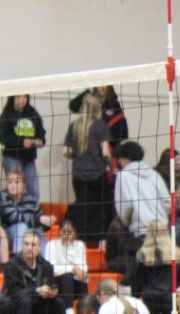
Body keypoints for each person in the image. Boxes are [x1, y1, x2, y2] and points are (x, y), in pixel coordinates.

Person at [3, 231, 66, 314]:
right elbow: (15, 292)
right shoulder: (11, 265)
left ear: (39, 247)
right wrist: (37, 291)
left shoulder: (47, 266)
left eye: (33, 245)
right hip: (11, 311)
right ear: (22, 246)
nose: (29, 248)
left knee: (58, 302)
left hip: (34, 311)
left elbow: (52, 286)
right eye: (26, 244)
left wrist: (51, 292)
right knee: (24, 300)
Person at [63, 91, 113, 243]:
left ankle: (81, 240)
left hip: (78, 175)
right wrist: (111, 163)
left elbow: (66, 151)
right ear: (97, 107)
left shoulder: (74, 126)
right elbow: (105, 152)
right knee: (99, 209)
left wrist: (79, 156)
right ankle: (98, 240)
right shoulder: (101, 126)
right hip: (97, 175)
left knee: (82, 206)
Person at [114, 140, 171, 239]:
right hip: (163, 230)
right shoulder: (154, 174)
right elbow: (167, 202)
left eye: (120, 158)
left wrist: (126, 223)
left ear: (126, 158)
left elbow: (125, 206)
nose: (118, 162)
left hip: (140, 232)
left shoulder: (123, 176)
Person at [0, 94, 46, 200]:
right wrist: (22, 141)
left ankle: (33, 214)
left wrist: (40, 141)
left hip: (29, 158)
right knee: (15, 190)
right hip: (12, 157)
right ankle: (15, 215)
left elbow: (41, 132)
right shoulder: (7, 114)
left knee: (34, 190)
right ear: (12, 98)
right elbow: (3, 137)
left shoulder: (32, 113)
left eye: (25, 97)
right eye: (18, 97)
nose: (22, 100)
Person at [0, 168, 54, 253]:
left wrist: (48, 222)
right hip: (7, 237)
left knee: (39, 234)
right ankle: (18, 263)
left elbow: (41, 223)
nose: (12, 185)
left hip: (30, 234)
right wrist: (39, 220)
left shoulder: (31, 200)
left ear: (24, 185)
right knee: (22, 226)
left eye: (16, 182)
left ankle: (47, 263)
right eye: (9, 182)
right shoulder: (2, 197)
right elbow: (15, 217)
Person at [68, 86, 128, 154]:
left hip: (108, 148)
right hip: (89, 148)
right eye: (99, 85)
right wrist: (88, 90)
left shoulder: (114, 104)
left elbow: (122, 132)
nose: (102, 87)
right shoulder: (89, 102)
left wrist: (105, 139)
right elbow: (73, 106)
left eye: (105, 85)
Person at [44, 217, 89, 307]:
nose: (66, 235)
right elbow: (51, 268)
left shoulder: (80, 245)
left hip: (76, 281)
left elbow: (84, 268)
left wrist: (76, 270)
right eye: (63, 231)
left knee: (83, 279)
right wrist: (72, 268)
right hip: (56, 283)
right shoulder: (51, 245)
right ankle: (69, 311)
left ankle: (84, 310)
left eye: (70, 232)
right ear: (59, 232)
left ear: (75, 234)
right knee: (67, 277)